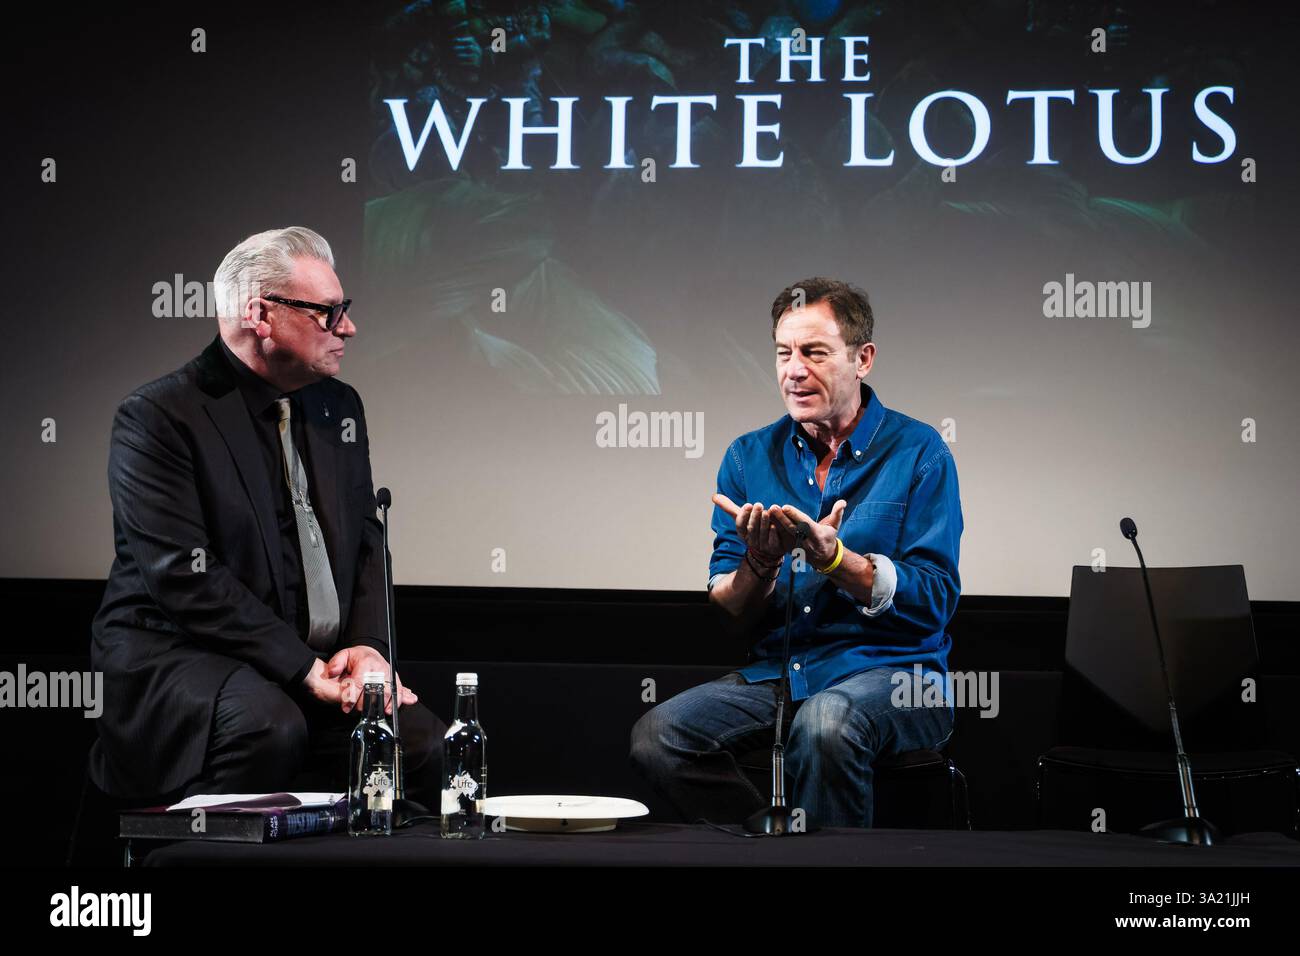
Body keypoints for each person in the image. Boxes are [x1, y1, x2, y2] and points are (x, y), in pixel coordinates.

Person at [89, 227, 444, 808]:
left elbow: (364, 545)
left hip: (314, 666)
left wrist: (366, 649)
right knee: (269, 727)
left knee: (421, 742)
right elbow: (184, 575)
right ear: (261, 314)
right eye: (329, 313)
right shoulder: (159, 416)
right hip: (185, 658)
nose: (347, 328)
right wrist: (302, 668)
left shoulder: (337, 406)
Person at [630, 276, 963, 828]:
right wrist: (759, 563)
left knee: (828, 722)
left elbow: (935, 598)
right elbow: (731, 607)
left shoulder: (920, 451)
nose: (793, 369)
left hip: (899, 675)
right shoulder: (747, 457)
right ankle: (774, 849)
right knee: (660, 735)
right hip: (785, 673)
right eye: (784, 353)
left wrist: (838, 562)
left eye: (814, 352)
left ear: (863, 359)